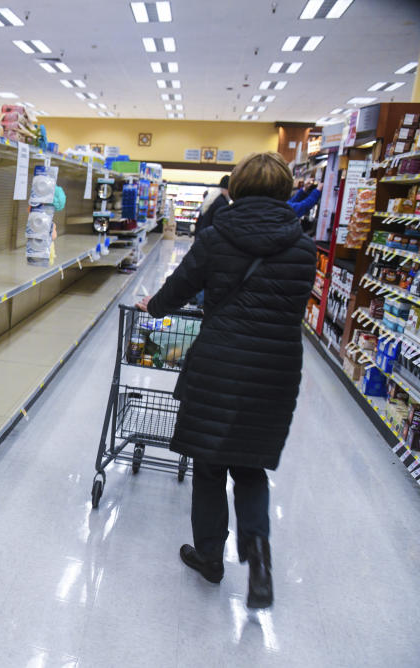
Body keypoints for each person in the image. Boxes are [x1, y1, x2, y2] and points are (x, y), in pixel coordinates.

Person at [136, 151, 315, 609]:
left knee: (210, 465)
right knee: (250, 467)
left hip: (219, 361)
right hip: (275, 370)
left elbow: (179, 286)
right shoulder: (302, 247)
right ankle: (256, 556)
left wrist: (152, 307)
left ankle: (211, 558)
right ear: (286, 191)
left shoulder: (217, 237)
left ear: (234, 189)